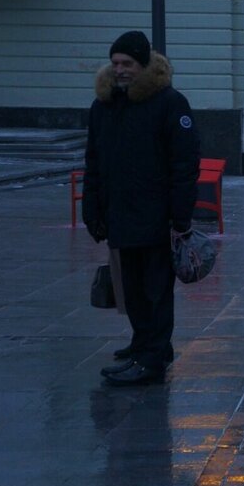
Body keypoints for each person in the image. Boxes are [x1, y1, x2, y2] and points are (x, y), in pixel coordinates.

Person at [84, 31, 200, 386]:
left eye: (128, 64)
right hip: (119, 214)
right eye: (116, 63)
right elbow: (94, 161)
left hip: (155, 216)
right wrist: (93, 208)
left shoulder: (169, 103)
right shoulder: (104, 106)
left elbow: (184, 164)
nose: (121, 70)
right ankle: (144, 344)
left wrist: (180, 216)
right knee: (130, 289)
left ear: (143, 65)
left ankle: (152, 358)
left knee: (155, 291)